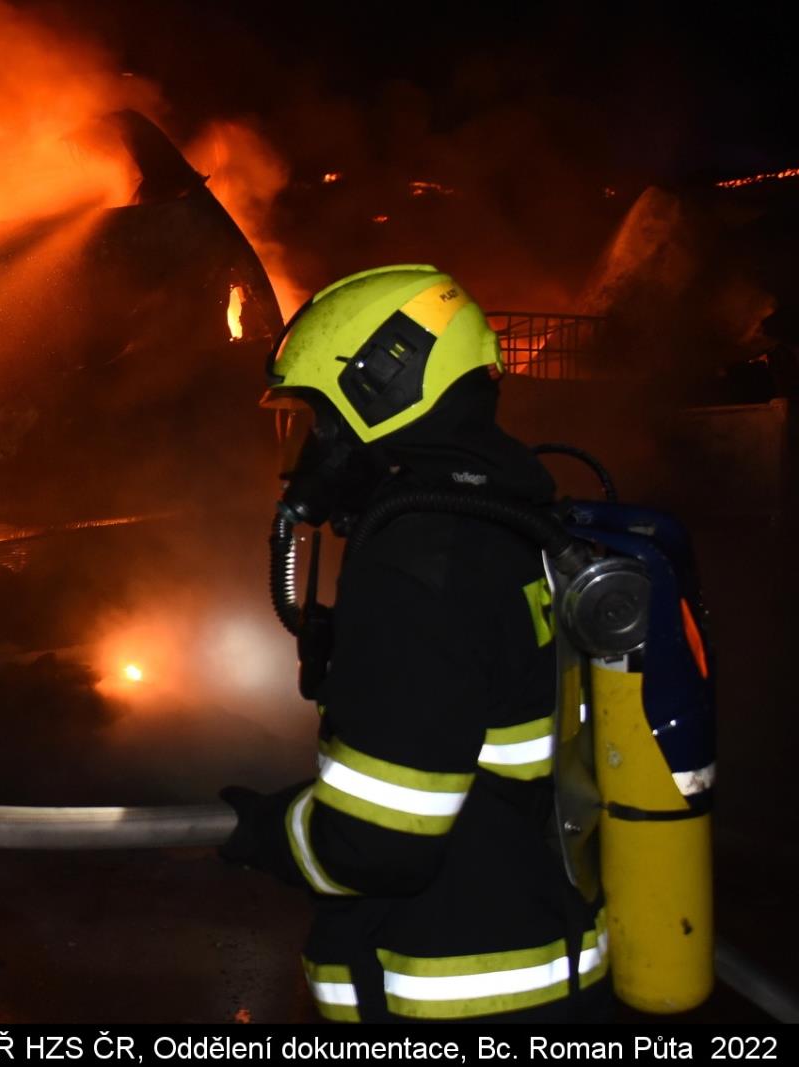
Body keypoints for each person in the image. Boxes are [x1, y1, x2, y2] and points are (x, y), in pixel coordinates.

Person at [220, 265, 611, 1022]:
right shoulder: (514, 524)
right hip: (543, 958)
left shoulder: (419, 565)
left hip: (449, 996)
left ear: (379, 399)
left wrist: (267, 832)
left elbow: (375, 844)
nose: (307, 451)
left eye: (316, 421)